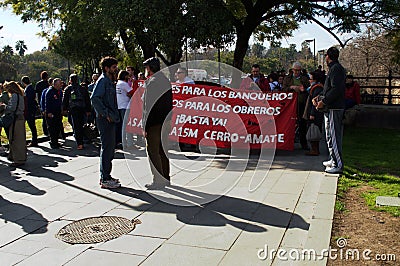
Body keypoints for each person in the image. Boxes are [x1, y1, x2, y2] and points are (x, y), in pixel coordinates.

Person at [313, 47, 346, 174]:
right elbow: (328, 88)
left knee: (334, 136)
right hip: (330, 107)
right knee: (329, 135)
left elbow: (335, 89)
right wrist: (319, 97)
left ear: (328, 56)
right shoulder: (334, 69)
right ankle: (333, 159)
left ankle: (338, 164)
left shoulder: (336, 69)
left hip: (334, 107)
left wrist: (324, 101)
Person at [142, 57, 173, 189]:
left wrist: (145, 125)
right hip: (165, 120)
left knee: (153, 151)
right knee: (163, 150)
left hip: (154, 122)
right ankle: (166, 177)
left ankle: (158, 180)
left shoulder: (151, 82)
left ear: (149, 68)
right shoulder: (166, 81)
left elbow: (148, 106)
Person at [91, 56, 121, 189]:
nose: (116, 70)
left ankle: (107, 175)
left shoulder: (109, 81)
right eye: (114, 67)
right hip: (105, 119)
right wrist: (106, 114)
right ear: (106, 68)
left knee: (110, 148)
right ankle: (105, 178)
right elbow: (95, 98)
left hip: (111, 118)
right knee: (107, 147)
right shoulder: (103, 81)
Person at [283, 62, 310, 150]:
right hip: (290, 105)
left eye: (299, 70)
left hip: (301, 103)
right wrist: (292, 87)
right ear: (292, 70)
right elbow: (283, 89)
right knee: (289, 123)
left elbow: (309, 89)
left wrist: (303, 89)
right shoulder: (287, 78)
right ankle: (288, 142)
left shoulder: (305, 78)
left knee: (302, 123)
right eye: (295, 70)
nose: (297, 72)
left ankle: (304, 143)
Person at [62, 74, 91, 150]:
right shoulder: (83, 88)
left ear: (70, 80)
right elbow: (87, 99)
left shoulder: (68, 89)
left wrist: (64, 109)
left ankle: (79, 143)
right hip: (82, 109)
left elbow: (65, 100)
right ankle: (84, 138)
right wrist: (88, 110)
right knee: (82, 124)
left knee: (76, 126)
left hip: (73, 109)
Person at [2, 81, 26, 167]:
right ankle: (16, 157)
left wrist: (4, 106)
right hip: (20, 118)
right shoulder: (20, 95)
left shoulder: (15, 96)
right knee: (19, 139)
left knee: (16, 139)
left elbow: (12, 108)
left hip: (16, 119)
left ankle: (18, 159)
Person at [303, 71, 325, 156]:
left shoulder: (317, 88)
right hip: (315, 113)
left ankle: (315, 149)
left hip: (315, 114)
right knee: (314, 130)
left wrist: (312, 114)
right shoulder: (314, 88)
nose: (309, 80)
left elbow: (314, 102)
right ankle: (314, 149)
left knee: (314, 130)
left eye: (310, 79)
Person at [116, 70, 134, 148]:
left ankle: (124, 142)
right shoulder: (124, 84)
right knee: (127, 126)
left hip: (120, 106)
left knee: (123, 125)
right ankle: (129, 144)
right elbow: (131, 92)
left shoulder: (118, 83)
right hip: (126, 106)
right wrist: (133, 83)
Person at [45, 78, 63, 149]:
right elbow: (48, 102)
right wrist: (49, 112)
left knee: (57, 127)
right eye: (59, 84)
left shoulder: (58, 91)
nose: (60, 86)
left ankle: (56, 141)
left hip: (57, 112)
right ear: (55, 84)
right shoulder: (50, 92)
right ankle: (53, 142)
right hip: (51, 112)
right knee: (52, 128)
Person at [21, 76, 39, 147]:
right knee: (32, 125)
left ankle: (34, 140)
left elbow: (28, 101)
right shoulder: (30, 88)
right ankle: (34, 140)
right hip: (31, 109)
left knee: (32, 125)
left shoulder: (28, 89)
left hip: (29, 110)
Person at [35, 71, 50, 136]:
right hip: (48, 102)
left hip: (41, 102)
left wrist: (38, 103)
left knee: (44, 118)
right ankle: (49, 130)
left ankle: (45, 131)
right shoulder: (48, 84)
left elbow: (37, 94)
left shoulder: (38, 84)